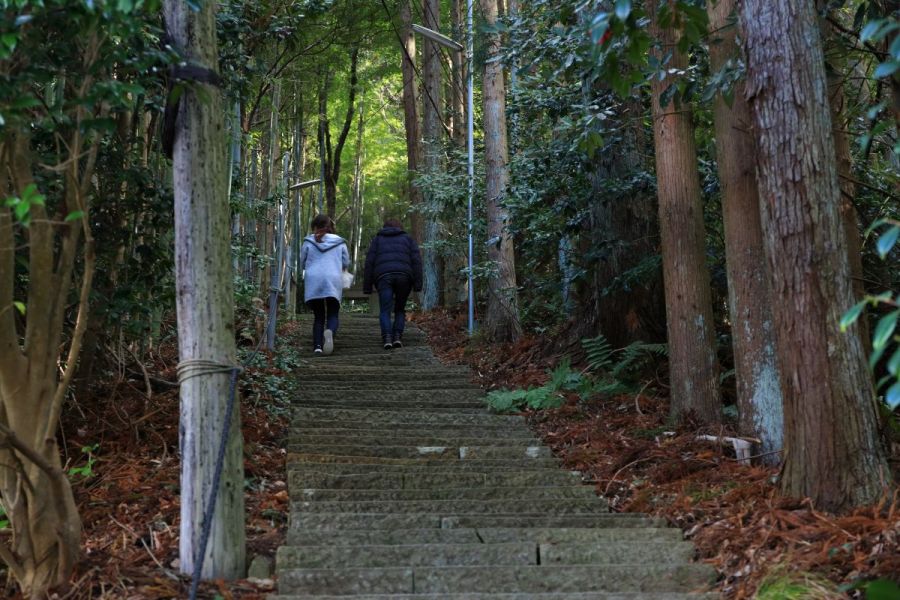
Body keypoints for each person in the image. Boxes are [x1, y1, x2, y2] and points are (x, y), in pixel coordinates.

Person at [363, 218, 423, 349]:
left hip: (383, 276)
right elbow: (416, 261)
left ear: (384, 227)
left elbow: (370, 262)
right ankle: (397, 337)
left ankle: (387, 338)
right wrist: (418, 283)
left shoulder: (377, 240)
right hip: (404, 277)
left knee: (385, 310)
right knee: (400, 309)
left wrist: (367, 286)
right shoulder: (408, 239)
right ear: (400, 227)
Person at [300, 214, 350, 355]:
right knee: (333, 313)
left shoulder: (308, 242)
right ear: (330, 227)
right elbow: (346, 262)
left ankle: (317, 346)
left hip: (314, 278)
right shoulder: (340, 242)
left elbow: (302, 261)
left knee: (319, 316)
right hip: (333, 278)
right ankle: (330, 332)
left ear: (315, 226)